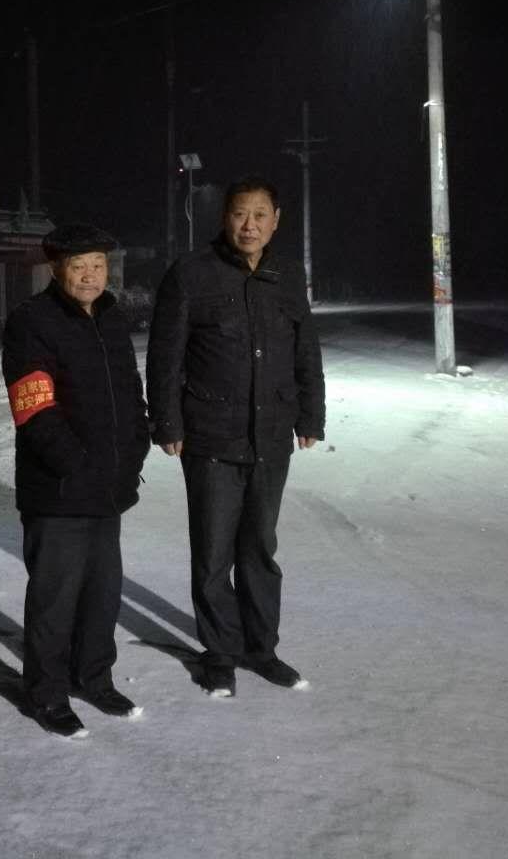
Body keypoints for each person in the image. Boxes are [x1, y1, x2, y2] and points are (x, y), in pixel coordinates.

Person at [146, 176, 324, 698]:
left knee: (260, 548)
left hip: (271, 436)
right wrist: (168, 422)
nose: (250, 225)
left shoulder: (287, 275)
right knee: (213, 552)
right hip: (209, 437)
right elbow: (165, 356)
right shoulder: (191, 273)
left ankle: (262, 649)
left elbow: (305, 348)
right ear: (225, 217)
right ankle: (219, 654)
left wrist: (311, 415)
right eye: (240, 214)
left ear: (276, 220)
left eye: (260, 215)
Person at [1, 223, 150, 739]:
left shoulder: (110, 317)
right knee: (54, 599)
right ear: (56, 268)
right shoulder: (32, 320)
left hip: (109, 488)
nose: (90, 275)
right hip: (59, 489)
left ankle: (94, 676)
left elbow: (129, 389)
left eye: (98, 265)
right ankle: (46, 692)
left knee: (102, 593)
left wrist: (137, 444)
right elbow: (34, 407)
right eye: (78, 266)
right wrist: (77, 465)